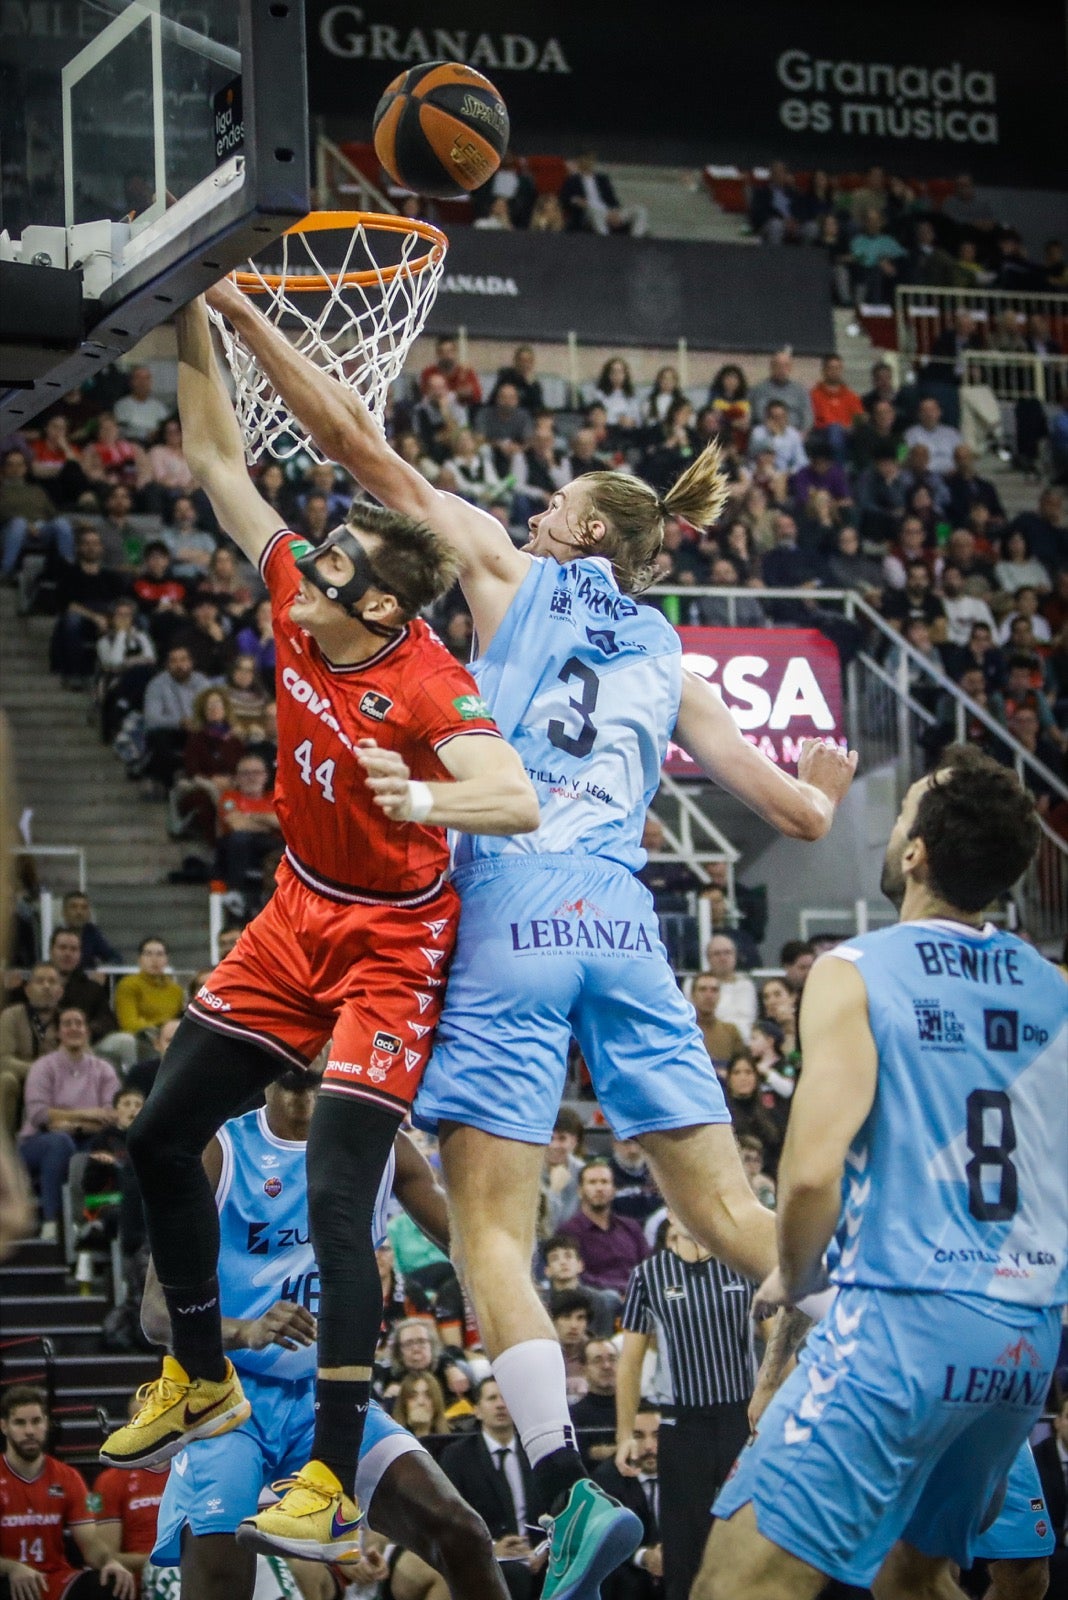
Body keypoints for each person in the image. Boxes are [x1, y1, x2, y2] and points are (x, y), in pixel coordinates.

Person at [203, 271, 857, 1599]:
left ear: (577, 528)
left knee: (493, 1228)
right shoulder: (672, 655)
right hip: (624, 914)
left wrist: (244, 316)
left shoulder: (513, 567)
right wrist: (835, 783)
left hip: (513, 901)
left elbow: (353, 447)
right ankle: (852, 1336)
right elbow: (791, 812)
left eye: (557, 497)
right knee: (725, 1209)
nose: (538, 502)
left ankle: (564, 1488)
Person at [100, 293, 537, 1576]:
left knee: (344, 1205)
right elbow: (221, 461)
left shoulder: (424, 681)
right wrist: (191, 306)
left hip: (395, 947)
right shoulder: (299, 590)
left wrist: (428, 793)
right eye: (323, 552)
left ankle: (334, 1479)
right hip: (298, 912)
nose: (311, 562)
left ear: (390, 608)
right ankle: (197, 1370)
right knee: (158, 1135)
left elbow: (511, 795)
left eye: (340, 563)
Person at [699, 746, 1065, 1600]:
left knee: (732, 1586)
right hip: (1022, 1349)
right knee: (913, 1582)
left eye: (908, 808)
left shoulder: (856, 970)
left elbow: (811, 1176)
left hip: (906, 1323)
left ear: (914, 854)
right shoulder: (1052, 989)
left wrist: (793, 1278)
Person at [140, 1072, 509, 1600]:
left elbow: (480, 1248)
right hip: (228, 1396)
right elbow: (155, 1316)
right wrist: (245, 1330)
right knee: (222, 1577)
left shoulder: (383, 1148)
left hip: (332, 1397)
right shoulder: (219, 1152)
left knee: (462, 1533)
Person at [617, 1213, 754, 1600]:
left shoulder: (743, 1263)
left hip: (741, 1416)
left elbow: (778, 1340)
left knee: (750, 1532)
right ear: (670, 1215)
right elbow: (629, 1360)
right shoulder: (648, 1274)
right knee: (683, 1547)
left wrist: (780, 1415)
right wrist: (624, 1433)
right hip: (682, 1422)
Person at [0, 1385, 136, 1599]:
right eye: (20, 1423)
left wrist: (109, 1561)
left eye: (36, 1421)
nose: (29, 1431)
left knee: (111, 1581)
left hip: (54, 1577)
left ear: (46, 1424)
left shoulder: (67, 1477)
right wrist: (11, 1567)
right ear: (4, 1426)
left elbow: (91, 1544)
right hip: (9, 1579)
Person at [18, 1005, 121, 1239]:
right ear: (57, 1032)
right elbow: (40, 1115)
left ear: (87, 1030)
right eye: (67, 1023)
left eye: (79, 1023)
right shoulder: (43, 1067)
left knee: (104, 1147)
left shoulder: (103, 1069)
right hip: (38, 1142)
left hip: (88, 1138)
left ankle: (93, 1223)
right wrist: (90, 1114)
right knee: (60, 1143)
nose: (74, 1028)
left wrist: (69, 1121)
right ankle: (51, 1221)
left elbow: (110, 1115)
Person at [438, 1378, 546, 1600]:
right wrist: (491, 1548)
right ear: (477, 1410)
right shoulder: (457, 1457)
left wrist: (544, 1549)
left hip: (540, 1555)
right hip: (484, 1557)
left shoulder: (537, 1452)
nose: (500, 1404)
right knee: (513, 1576)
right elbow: (451, 1517)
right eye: (492, 1398)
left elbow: (557, 1507)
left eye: (506, 1398)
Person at [594, 1401, 662, 1600]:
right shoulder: (605, 1480)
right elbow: (605, 1541)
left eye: (657, 1436)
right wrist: (644, 1557)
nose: (649, 1446)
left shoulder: (687, 1475)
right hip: (627, 1576)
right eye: (638, 1436)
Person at [560, 1160, 650, 1298]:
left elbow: (647, 1265)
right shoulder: (570, 1231)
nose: (599, 1188)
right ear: (580, 1191)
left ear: (614, 1190)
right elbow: (579, 1275)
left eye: (604, 1182)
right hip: (597, 1299)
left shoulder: (631, 1227)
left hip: (637, 1295)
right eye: (592, 1182)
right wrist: (621, 1290)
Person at [0, 960, 62, 1134]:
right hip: (21, 1079)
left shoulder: (69, 1020)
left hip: (58, 1083)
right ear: (27, 990)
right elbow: (4, 1060)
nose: (46, 986)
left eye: (52, 981)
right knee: (6, 1079)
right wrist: (41, 1070)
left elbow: (85, 1058)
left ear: (60, 991)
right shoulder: (11, 1016)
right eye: (40, 981)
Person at [112, 938, 184, 1051]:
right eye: (148, 954)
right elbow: (129, 1024)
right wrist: (160, 1027)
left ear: (167, 959)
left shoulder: (176, 990)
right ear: (139, 959)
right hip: (139, 1037)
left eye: (160, 954)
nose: (154, 959)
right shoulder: (128, 985)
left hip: (168, 1037)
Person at [688, 973, 745, 1078]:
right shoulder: (685, 1031)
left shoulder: (731, 1031)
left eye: (714, 990)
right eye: (702, 989)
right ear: (693, 995)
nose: (709, 995)